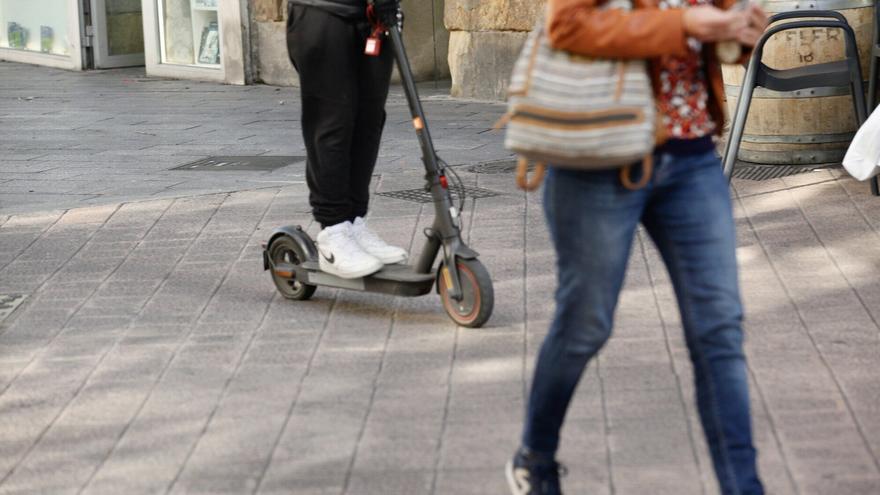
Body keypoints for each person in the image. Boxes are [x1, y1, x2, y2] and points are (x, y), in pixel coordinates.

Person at [506, 0, 769, 494]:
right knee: (586, 324)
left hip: (692, 158)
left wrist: (742, 31)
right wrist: (684, 23)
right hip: (598, 154)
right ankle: (535, 455)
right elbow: (566, 24)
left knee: (720, 332)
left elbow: (714, 41)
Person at [286, 0, 407, 279]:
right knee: (332, 124)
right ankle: (334, 231)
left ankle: (354, 222)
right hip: (323, 12)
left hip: (374, 16)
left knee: (369, 122)